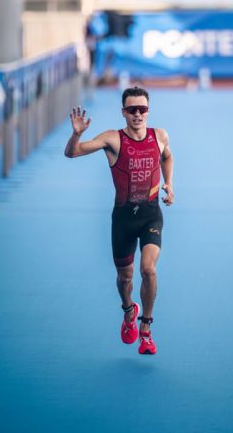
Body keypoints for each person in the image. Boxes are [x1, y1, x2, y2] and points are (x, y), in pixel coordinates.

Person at [64, 86, 174, 355]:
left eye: (142, 109)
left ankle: (146, 329)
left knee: (148, 269)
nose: (138, 115)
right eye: (132, 110)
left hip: (151, 215)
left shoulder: (159, 136)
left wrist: (169, 184)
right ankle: (128, 311)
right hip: (123, 220)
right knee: (125, 279)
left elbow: (167, 157)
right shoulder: (113, 139)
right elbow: (72, 153)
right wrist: (77, 134)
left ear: (148, 111)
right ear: (123, 112)